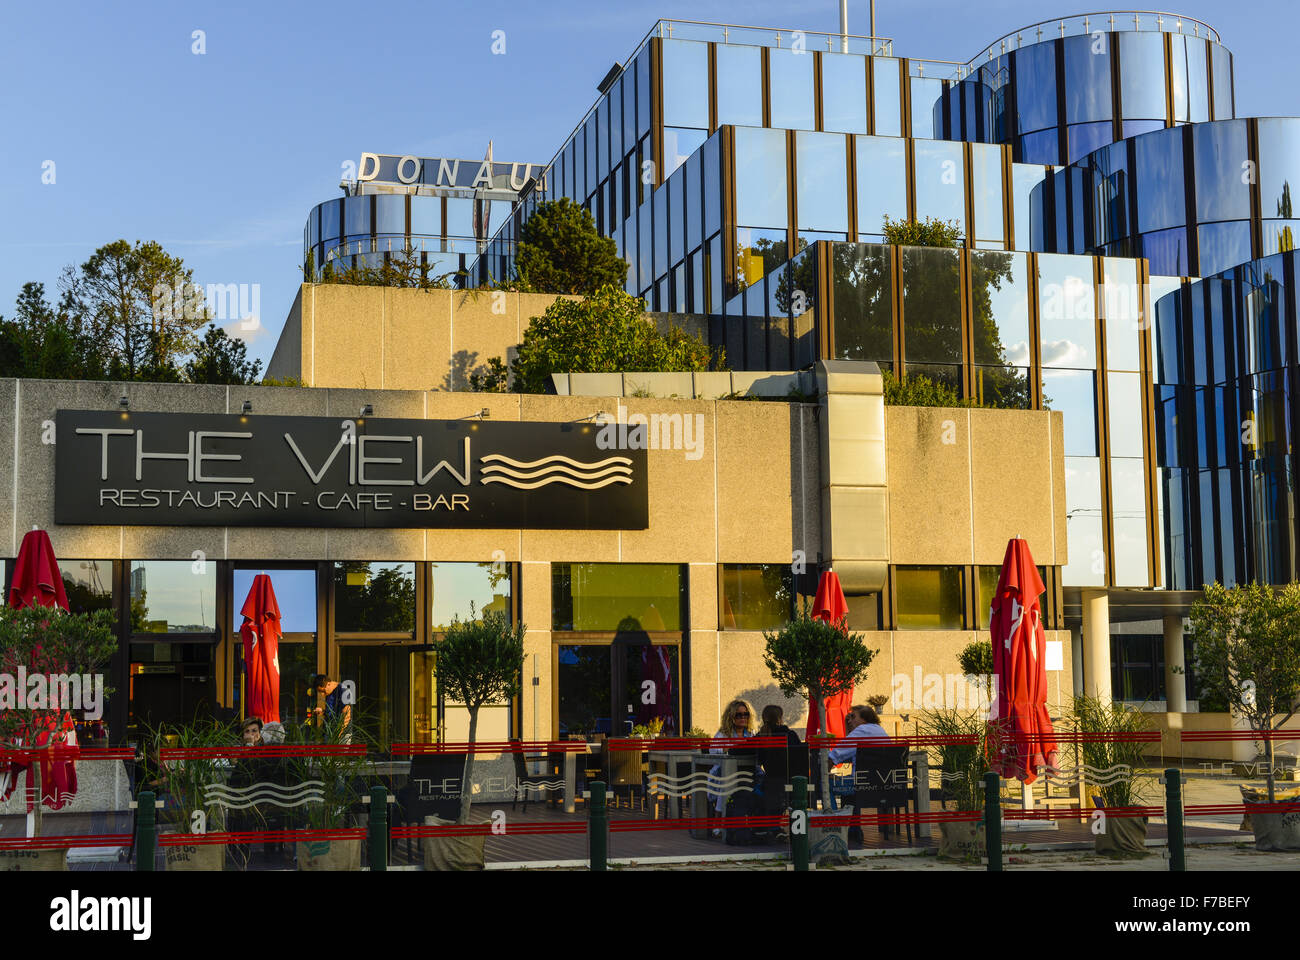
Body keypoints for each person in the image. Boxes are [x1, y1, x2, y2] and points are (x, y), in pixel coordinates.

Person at [828, 704, 889, 842]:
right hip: (883, 786)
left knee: (825, 784)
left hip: (862, 785)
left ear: (864, 719)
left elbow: (834, 756)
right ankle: (854, 830)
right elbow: (848, 750)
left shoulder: (862, 730)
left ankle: (834, 828)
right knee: (848, 785)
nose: (849, 720)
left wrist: (825, 771)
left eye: (853, 717)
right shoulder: (880, 730)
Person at [709, 699, 756, 843]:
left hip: (747, 772)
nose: (743, 718)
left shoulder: (751, 733)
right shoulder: (723, 734)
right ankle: (718, 823)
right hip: (724, 772)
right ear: (731, 717)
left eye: (745, 715)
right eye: (738, 715)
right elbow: (713, 751)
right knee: (727, 782)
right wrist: (725, 749)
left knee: (763, 781)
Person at [754, 705, 802, 839]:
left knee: (754, 787)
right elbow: (799, 755)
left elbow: (751, 756)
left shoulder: (761, 736)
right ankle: (779, 828)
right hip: (792, 781)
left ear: (763, 718)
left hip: (771, 782)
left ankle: (766, 826)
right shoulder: (790, 735)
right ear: (781, 718)